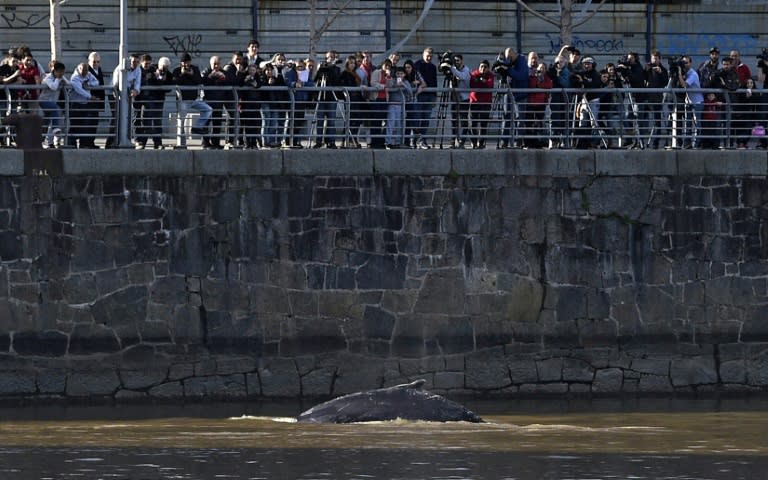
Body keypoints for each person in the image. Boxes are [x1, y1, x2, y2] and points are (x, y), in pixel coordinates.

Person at [172, 52, 212, 148]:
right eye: (184, 62)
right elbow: (175, 82)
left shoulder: (195, 69)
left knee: (208, 109)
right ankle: (181, 143)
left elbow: (199, 81)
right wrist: (182, 74)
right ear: (181, 63)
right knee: (181, 121)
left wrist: (192, 75)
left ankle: (197, 127)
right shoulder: (177, 71)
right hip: (183, 100)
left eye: (188, 62)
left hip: (194, 99)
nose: (186, 65)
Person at [135, 55, 173, 149]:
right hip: (147, 99)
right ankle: (142, 142)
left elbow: (168, 88)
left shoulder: (168, 74)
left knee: (157, 122)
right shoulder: (151, 70)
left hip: (159, 100)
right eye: (163, 67)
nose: (164, 69)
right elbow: (147, 81)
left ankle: (157, 142)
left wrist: (162, 80)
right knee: (145, 121)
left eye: (166, 67)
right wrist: (155, 76)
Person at [494, 47, 528, 148]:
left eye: (509, 57)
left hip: (520, 94)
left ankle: (518, 141)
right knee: (506, 117)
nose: (508, 59)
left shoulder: (521, 61)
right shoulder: (508, 62)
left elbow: (521, 76)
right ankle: (504, 141)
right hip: (508, 92)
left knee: (519, 119)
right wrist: (500, 69)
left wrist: (508, 69)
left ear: (513, 54)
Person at [106, 53, 141, 148]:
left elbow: (138, 82)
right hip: (114, 94)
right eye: (133, 62)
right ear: (130, 61)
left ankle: (124, 139)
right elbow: (115, 83)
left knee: (126, 116)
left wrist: (136, 90)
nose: (135, 64)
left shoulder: (138, 69)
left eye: (137, 62)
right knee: (116, 117)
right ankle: (110, 142)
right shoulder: (120, 68)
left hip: (126, 94)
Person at [312, 51, 341, 148]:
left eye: (332, 57)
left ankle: (331, 141)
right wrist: (320, 69)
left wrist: (331, 68)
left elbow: (336, 81)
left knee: (331, 121)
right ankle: (319, 141)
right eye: (328, 57)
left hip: (332, 98)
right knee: (319, 120)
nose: (330, 59)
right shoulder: (322, 67)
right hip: (321, 98)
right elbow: (315, 79)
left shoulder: (337, 69)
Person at [68, 61, 100, 148]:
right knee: (74, 125)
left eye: (86, 70)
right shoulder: (75, 77)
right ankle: (72, 144)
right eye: (82, 70)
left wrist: (89, 84)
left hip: (85, 104)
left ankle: (83, 144)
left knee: (84, 124)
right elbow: (79, 90)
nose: (84, 72)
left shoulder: (88, 74)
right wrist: (90, 97)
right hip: (76, 104)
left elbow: (97, 82)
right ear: (78, 69)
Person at [201, 55, 230, 149]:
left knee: (217, 124)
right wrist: (210, 76)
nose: (216, 66)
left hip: (219, 101)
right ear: (210, 64)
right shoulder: (206, 71)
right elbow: (202, 80)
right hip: (207, 102)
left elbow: (229, 82)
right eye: (214, 64)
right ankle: (205, 142)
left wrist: (223, 77)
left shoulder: (223, 72)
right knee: (206, 123)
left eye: (218, 64)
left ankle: (216, 143)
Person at [38, 61, 69, 148]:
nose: (61, 74)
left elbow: (68, 84)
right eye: (59, 72)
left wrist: (63, 81)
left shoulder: (60, 77)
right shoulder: (48, 78)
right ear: (54, 71)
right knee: (56, 108)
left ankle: (41, 141)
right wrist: (59, 80)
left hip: (51, 103)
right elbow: (54, 87)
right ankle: (56, 128)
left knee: (45, 123)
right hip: (43, 101)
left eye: (62, 72)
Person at [412, 47, 437, 149]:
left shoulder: (433, 67)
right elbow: (415, 77)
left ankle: (423, 139)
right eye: (427, 55)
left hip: (430, 96)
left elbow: (434, 82)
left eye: (431, 55)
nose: (429, 57)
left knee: (426, 119)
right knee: (417, 118)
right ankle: (415, 139)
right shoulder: (417, 64)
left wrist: (435, 96)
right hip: (419, 95)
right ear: (423, 54)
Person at [676, 55, 703, 148]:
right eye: (683, 63)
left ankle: (696, 144)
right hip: (688, 102)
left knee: (697, 124)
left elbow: (684, 85)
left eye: (687, 63)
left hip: (697, 102)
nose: (685, 65)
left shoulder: (693, 74)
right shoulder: (685, 73)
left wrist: (679, 74)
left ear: (690, 63)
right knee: (687, 123)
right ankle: (687, 143)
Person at [644, 50, 670, 149]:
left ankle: (656, 142)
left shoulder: (663, 70)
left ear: (660, 59)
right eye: (653, 58)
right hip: (646, 98)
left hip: (657, 99)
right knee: (639, 118)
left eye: (656, 58)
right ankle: (639, 141)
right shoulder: (648, 67)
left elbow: (665, 83)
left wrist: (660, 73)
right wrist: (647, 69)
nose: (654, 60)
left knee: (657, 122)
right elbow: (643, 78)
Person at [80, 51, 105, 148]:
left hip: (96, 101)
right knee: (87, 122)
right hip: (89, 101)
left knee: (94, 122)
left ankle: (90, 142)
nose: (96, 64)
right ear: (89, 61)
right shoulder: (86, 70)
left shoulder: (99, 69)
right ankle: (85, 143)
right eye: (94, 61)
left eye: (98, 62)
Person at [525, 61, 553, 148]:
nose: (541, 70)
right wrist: (537, 79)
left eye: (543, 68)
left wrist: (541, 81)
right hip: (531, 103)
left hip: (541, 104)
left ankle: (539, 141)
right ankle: (529, 142)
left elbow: (548, 86)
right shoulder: (532, 77)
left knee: (539, 123)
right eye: (540, 68)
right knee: (529, 123)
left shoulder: (547, 78)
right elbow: (531, 87)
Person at [339, 55, 364, 148]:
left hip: (357, 99)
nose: (352, 65)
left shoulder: (355, 73)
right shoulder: (344, 73)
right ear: (347, 64)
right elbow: (343, 86)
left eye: (354, 63)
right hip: (350, 99)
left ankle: (353, 139)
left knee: (357, 120)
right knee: (349, 120)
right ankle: (344, 140)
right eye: (351, 63)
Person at [468, 60, 494, 149]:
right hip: (474, 102)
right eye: (481, 66)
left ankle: (481, 142)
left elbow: (490, 85)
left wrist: (482, 81)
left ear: (488, 68)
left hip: (486, 103)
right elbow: (472, 85)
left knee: (484, 124)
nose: (483, 68)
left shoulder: (490, 75)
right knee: (473, 123)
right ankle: (474, 142)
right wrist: (479, 81)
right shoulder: (474, 74)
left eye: (485, 67)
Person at [385, 66, 412, 149]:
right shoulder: (391, 81)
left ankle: (397, 142)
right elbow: (388, 89)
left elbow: (410, 92)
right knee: (390, 123)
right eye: (398, 73)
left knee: (399, 125)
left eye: (401, 73)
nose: (400, 75)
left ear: (404, 74)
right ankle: (388, 142)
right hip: (392, 105)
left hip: (401, 106)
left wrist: (403, 84)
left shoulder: (406, 82)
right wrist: (395, 86)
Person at [448, 53, 471, 148]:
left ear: (462, 61)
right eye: (454, 61)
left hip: (464, 99)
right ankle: (454, 141)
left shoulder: (466, 69)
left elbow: (462, 77)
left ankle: (462, 141)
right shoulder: (454, 70)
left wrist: (451, 68)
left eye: (458, 60)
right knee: (454, 120)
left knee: (464, 121)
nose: (456, 63)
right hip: (454, 98)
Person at [239, 63, 263, 149]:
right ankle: (247, 142)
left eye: (253, 70)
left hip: (256, 104)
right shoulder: (244, 76)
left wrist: (255, 83)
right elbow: (241, 83)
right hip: (246, 104)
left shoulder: (258, 77)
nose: (252, 72)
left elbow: (259, 84)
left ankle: (254, 142)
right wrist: (248, 80)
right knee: (247, 125)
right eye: (250, 70)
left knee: (255, 125)